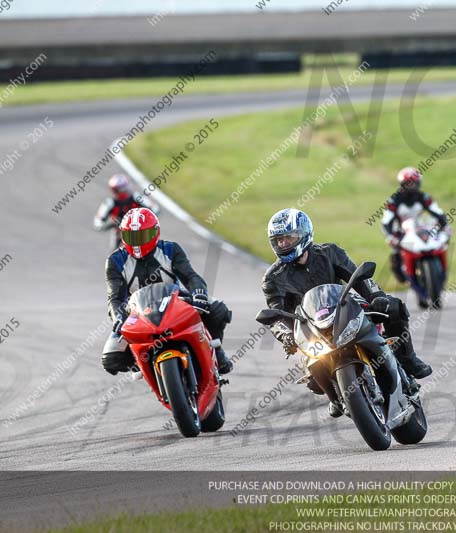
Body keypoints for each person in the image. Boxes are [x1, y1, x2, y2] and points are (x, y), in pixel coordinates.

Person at [261, 208, 432, 415]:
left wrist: (375, 297)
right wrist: (286, 335)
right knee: (313, 379)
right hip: (311, 328)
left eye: (289, 238)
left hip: (344, 308)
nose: (283, 244)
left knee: (393, 306)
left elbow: (358, 277)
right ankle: (336, 396)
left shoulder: (330, 252)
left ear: (304, 234)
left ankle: (408, 359)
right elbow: (275, 315)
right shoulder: (273, 278)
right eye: (278, 240)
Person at [101, 208, 233, 375]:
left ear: (155, 233)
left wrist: (199, 293)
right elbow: (115, 298)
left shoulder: (170, 249)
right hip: (136, 311)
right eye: (131, 237)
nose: (137, 243)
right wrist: (117, 317)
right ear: (122, 236)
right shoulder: (115, 261)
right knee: (111, 359)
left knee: (218, 310)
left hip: (176, 300)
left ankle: (216, 350)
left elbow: (190, 276)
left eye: (142, 236)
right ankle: (143, 363)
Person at [380, 167, 448, 283]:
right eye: (408, 183)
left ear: (419, 183)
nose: (411, 186)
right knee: (395, 255)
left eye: (414, 183)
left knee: (440, 242)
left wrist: (444, 226)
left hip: (420, 228)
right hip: (400, 231)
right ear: (402, 184)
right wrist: (390, 236)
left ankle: (440, 271)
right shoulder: (394, 200)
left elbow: (437, 212)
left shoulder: (424, 197)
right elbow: (386, 221)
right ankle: (405, 274)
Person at [93, 174, 159, 247]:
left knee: (152, 247)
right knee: (116, 252)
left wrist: (145, 219)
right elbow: (98, 222)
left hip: (141, 230)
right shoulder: (109, 203)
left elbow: (154, 208)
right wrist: (112, 225)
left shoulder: (136, 197)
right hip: (120, 234)